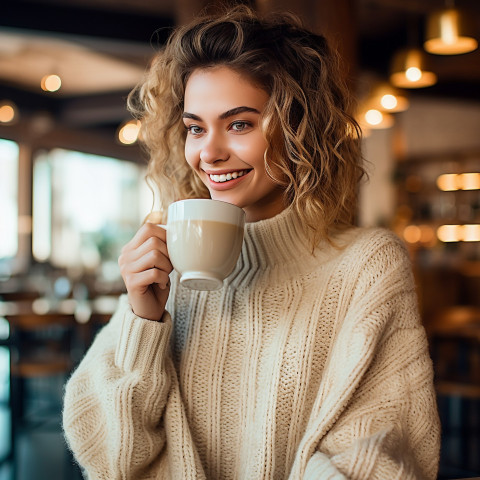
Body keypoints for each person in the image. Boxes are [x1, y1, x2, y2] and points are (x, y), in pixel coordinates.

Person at [62, 6, 440, 479]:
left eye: (239, 123)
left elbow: (378, 451)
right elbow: (111, 457)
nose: (209, 152)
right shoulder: (166, 263)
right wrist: (142, 318)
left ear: (298, 126)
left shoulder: (367, 265)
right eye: (195, 127)